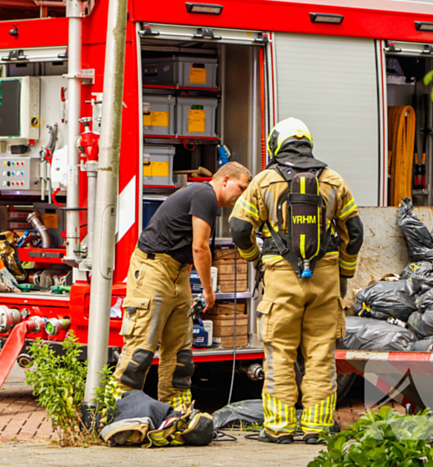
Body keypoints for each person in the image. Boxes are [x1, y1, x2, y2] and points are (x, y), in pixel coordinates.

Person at [229, 118, 364, 444]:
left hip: (281, 281)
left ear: (276, 144)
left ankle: (279, 429)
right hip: (325, 281)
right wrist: (344, 274)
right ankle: (317, 428)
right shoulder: (334, 181)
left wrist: (254, 259)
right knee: (320, 356)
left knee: (280, 355)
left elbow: (238, 227)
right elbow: (355, 234)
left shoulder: (264, 182)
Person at [111, 161, 252, 410]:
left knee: (179, 352)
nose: (242, 195)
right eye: (241, 188)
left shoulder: (207, 200)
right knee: (142, 345)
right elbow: (200, 247)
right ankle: (116, 410)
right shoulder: (205, 194)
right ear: (226, 180)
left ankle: (177, 412)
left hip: (177, 271)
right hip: (154, 268)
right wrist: (208, 290)